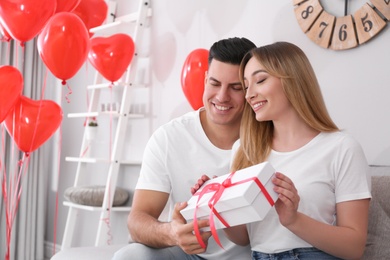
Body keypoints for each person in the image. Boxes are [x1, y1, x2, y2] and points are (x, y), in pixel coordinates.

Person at [192, 41, 371, 260]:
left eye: (260, 80)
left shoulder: (341, 148)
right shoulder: (245, 150)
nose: (249, 95)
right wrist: (218, 207)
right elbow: (244, 238)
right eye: (246, 86)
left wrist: (294, 220)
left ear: (292, 80)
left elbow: (353, 247)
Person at [112, 37, 256, 260]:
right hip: (189, 255)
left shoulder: (269, 135)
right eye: (215, 83)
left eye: (235, 87)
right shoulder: (169, 138)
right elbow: (137, 220)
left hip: (252, 255)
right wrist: (172, 233)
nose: (222, 97)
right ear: (205, 79)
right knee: (129, 256)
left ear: (249, 90)